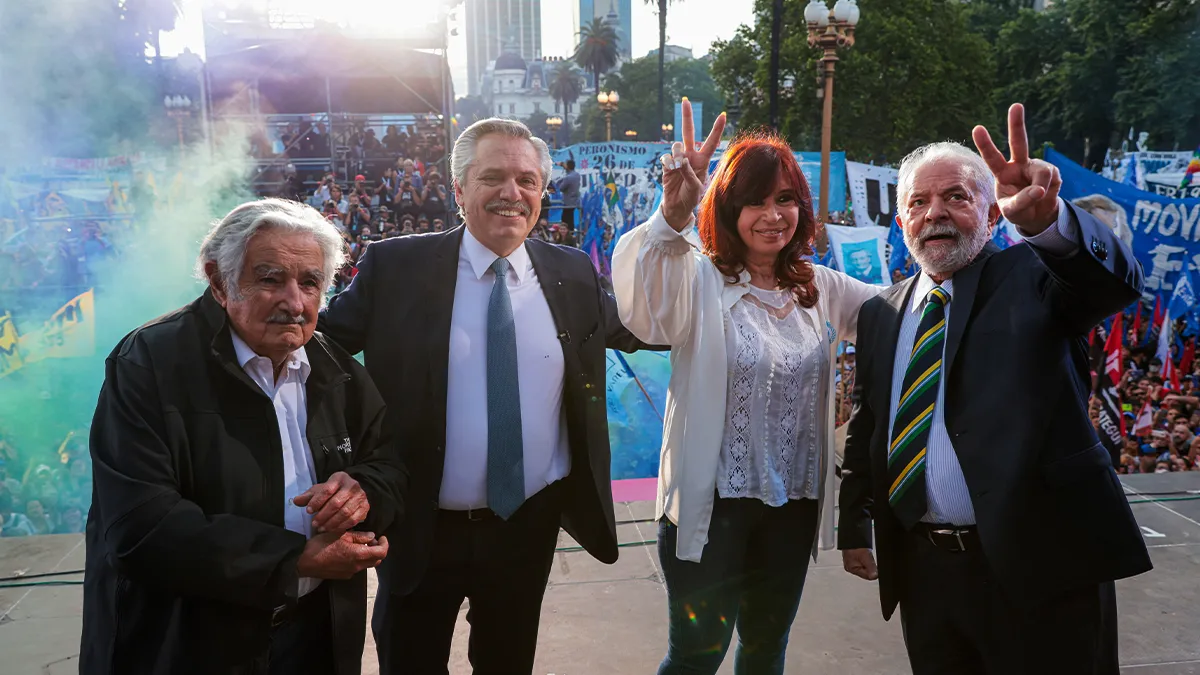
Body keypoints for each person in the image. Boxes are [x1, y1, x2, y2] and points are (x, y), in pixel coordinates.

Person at [319, 117, 655, 675]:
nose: (511, 193)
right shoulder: (396, 267)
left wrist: (673, 222)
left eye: (527, 180)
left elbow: (646, 327)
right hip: (419, 527)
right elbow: (317, 350)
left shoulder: (571, 270)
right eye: (492, 176)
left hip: (527, 524)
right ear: (458, 190)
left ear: (542, 193)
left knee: (508, 662)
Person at [837, 104, 1152, 674]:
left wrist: (1046, 222)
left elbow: (1113, 284)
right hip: (926, 573)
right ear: (901, 219)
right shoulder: (882, 312)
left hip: (1041, 566)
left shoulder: (1034, 275)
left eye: (956, 197)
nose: (935, 213)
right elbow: (870, 422)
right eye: (918, 202)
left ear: (990, 211)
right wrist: (854, 522)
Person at [80, 198, 406, 675]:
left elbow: (388, 464)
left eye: (310, 283)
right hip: (186, 644)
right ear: (218, 281)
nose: (294, 302)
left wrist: (363, 493)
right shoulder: (149, 363)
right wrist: (294, 561)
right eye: (270, 278)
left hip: (314, 639)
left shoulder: (336, 368)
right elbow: (141, 527)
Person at [611, 100, 881, 674]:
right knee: (694, 658)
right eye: (754, 200)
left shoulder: (819, 286)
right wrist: (672, 216)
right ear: (727, 210)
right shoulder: (700, 278)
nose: (771, 215)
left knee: (765, 652)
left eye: (785, 199)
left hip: (792, 508)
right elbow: (646, 313)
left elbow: (899, 315)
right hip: (711, 509)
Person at [556, 159, 581, 233]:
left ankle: (567, 234)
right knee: (571, 219)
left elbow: (561, 188)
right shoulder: (577, 175)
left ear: (568, 166)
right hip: (574, 201)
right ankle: (571, 233)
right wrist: (563, 165)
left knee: (565, 220)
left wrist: (559, 181)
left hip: (567, 202)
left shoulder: (568, 177)